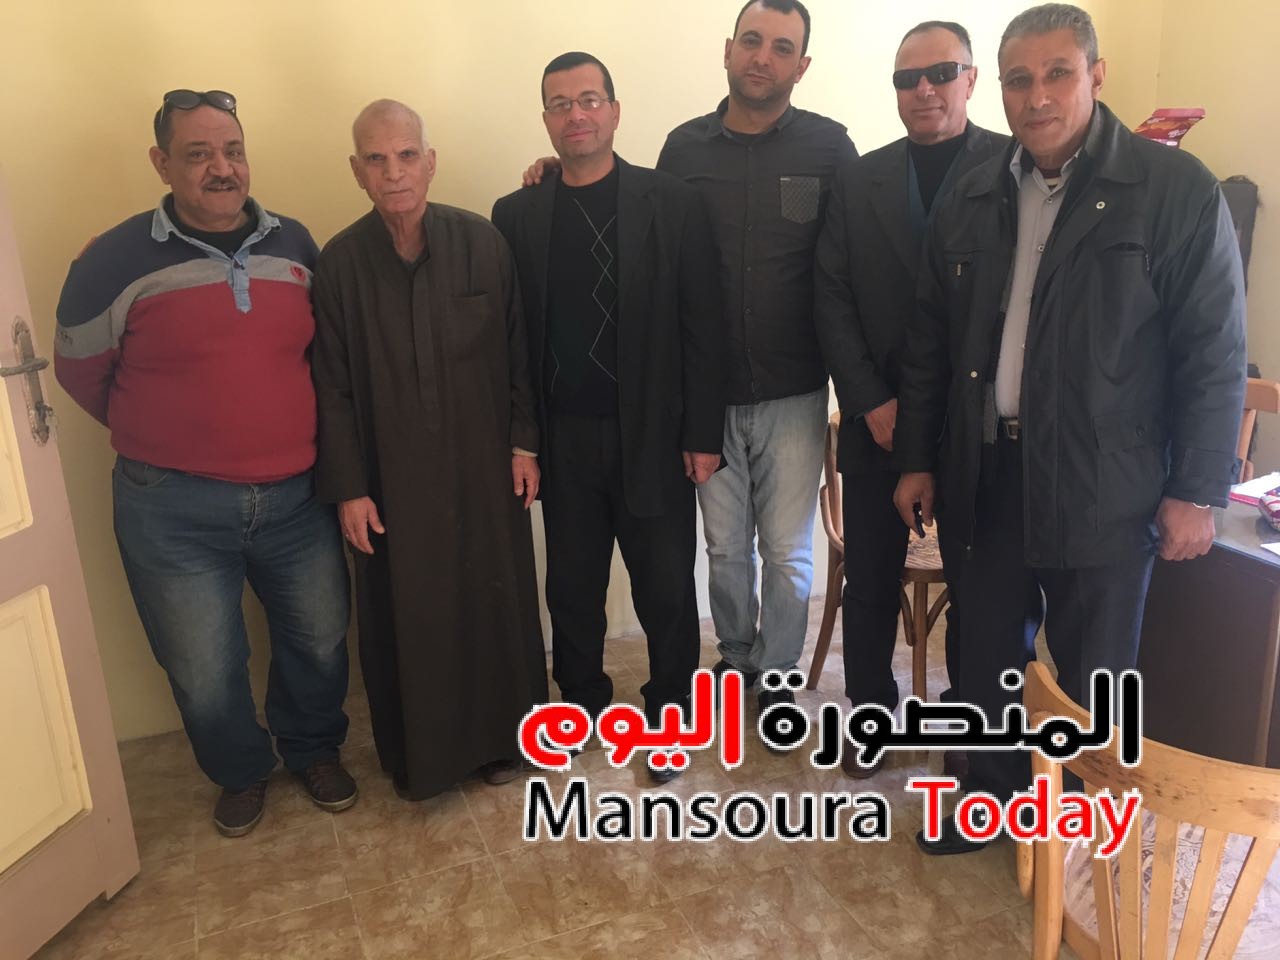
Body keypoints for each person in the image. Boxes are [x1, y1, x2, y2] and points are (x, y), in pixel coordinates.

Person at [893, 3, 1247, 853]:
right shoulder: (974, 191)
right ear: (998, 88)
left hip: (1108, 482)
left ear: (1096, 74)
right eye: (1019, 79)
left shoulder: (1172, 190)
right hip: (989, 472)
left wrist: (1197, 490)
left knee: (1096, 667)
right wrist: (916, 459)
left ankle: (1084, 823)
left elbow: (1214, 351)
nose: (1038, 96)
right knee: (985, 655)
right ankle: (991, 801)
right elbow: (931, 343)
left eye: (1058, 73)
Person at [54, 89, 356, 838]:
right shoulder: (112, 259)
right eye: (198, 154)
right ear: (162, 164)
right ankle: (240, 770)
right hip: (171, 509)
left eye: (233, 151)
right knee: (201, 664)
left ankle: (313, 749)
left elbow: (325, 354)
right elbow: (79, 371)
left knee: (319, 638)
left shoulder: (297, 244)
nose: (222, 168)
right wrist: (168, 432)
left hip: (298, 497)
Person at [492, 53, 723, 782]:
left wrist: (703, 434)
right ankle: (581, 704)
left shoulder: (673, 202)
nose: (577, 114)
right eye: (560, 103)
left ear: (615, 111)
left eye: (590, 99)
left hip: (654, 435)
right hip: (563, 440)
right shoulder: (517, 214)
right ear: (546, 120)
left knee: (666, 589)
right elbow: (513, 339)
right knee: (572, 589)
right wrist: (522, 441)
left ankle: (671, 716)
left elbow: (703, 325)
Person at [311, 99, 547, 801]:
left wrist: (525, 445)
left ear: (430, 162)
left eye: (407, 155)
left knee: (493, 603)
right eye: (377, 159)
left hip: (484, 470)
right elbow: (331, 386)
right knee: (410, 616)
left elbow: (519, 354)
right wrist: (350, 487)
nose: (394, 172)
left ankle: (505, 742)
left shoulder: (483, 243)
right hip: (390, 481)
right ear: (357, 171)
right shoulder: (339, 264)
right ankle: (426, 760)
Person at [814, 21, 1008, 777]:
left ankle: (966, 728)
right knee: (869, 584)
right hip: (879, 423)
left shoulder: (1015, 167)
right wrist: (869, 400)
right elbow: (831, 297)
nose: (923, 89)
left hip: (978, 429)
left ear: (972, 79)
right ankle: (871, 714)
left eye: (941, 73)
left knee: (979, 592)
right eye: (907, 78)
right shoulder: (858, 179)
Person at [655, 0, 857, 712]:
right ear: (728, 50)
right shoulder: (682, 150)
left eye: (781, 47)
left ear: (802, 65)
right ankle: (736, 655)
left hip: (796, 390)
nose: (762, 56)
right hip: (706, 393)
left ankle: (777, 673)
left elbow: (857, 251)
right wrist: (560, 169)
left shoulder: (829, 148)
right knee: (723, 546)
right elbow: (649, 238)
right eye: (751, 40)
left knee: (787, 551)